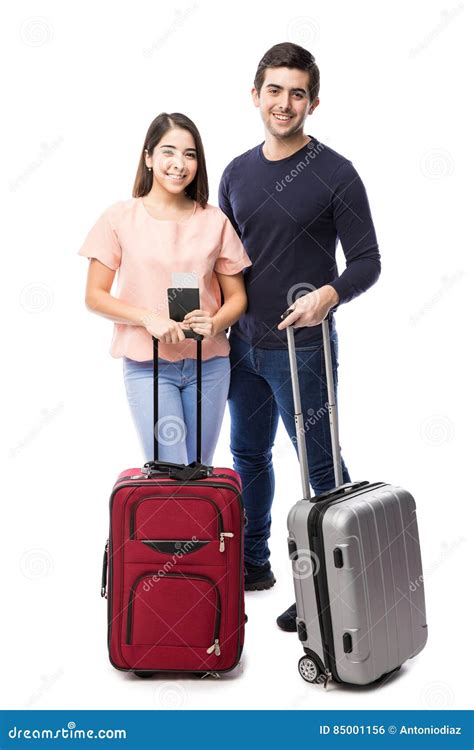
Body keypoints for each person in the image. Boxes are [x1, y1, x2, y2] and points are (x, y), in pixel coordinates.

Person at [218, 43, 381, 631]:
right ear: (255, 94)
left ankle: (326, 587)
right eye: (273, 90)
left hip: (301, 348)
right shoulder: (235, 172)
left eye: (296, 93)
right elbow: (221, 260)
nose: (283, 103)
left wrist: (327, 297)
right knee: (247, 456)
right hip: (240, 346)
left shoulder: (336, 173)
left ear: (313, 100)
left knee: (318, 464)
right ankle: (253, 564)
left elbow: (366, 261)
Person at [78, 112, 251, 465]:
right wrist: (147, 318)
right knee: (171, 471)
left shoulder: (214, 220)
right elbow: (94, 296)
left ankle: (207, 523)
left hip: (210, 365)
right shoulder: (119, 218)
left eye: (190, 155)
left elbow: (237, 298)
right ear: (148, 157)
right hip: (148, 364)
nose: (179, 164)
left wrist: (216, 323)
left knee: (199, 472)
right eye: (168, 152)